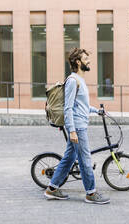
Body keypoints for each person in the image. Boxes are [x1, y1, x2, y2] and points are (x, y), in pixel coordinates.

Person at [44, 48, 110, 204]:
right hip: (78, 128)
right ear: (78, 62)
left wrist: (96, 111)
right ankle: (91, 193)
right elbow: (68, 108)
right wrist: (72, 130)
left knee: (69, 158)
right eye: (86, 59)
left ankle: (52, 189)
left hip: (79, 125)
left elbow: (81, 106)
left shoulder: (80, 80)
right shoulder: (73, 81)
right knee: (85, 160)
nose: (89, 61)